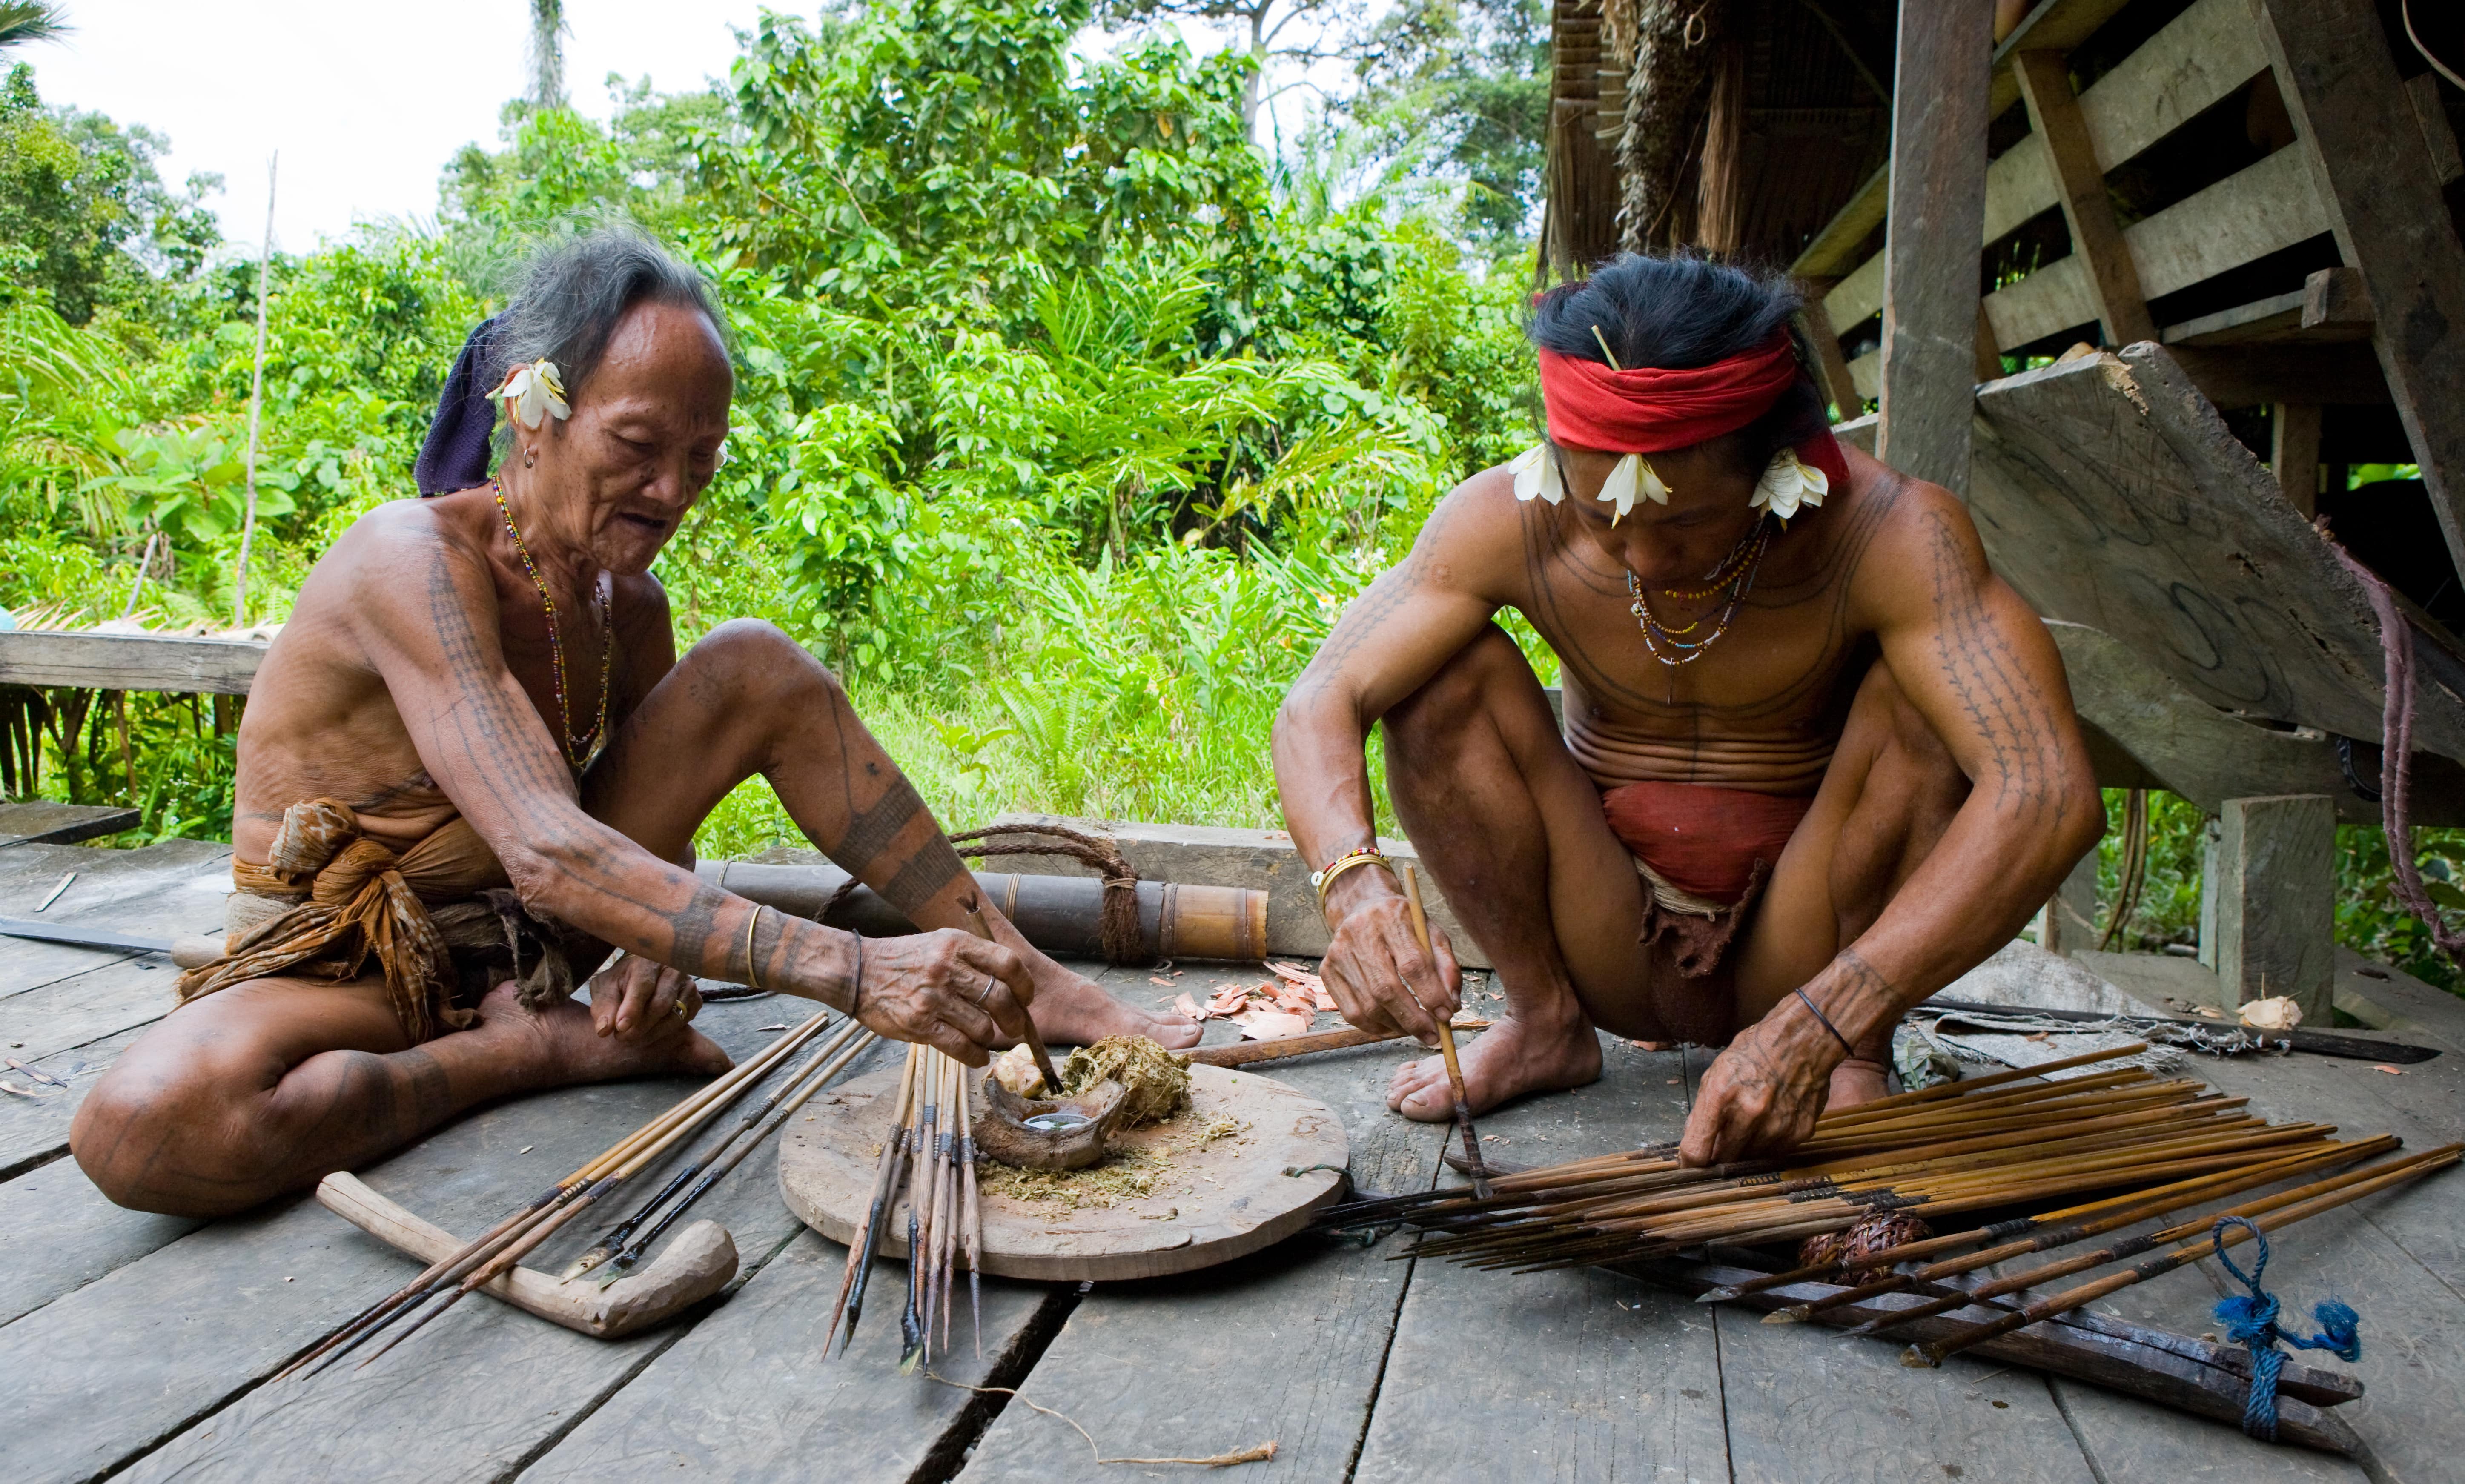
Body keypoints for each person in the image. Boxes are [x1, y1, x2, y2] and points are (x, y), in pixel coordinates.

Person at [71, 229, 1193, 1218]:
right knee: (142, 1126)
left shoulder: (624, 604)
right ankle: (521, 1055)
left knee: (753, 662)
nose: (670, 490)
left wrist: (651, 959)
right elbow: (552, 851)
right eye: (637, 445)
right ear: (530, 407)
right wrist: (856, 969)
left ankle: (1026, 970)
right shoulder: (408, 560)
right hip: (346, 971)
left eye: (699, 459)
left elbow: (645, 845)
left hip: (526, 943)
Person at [1271, 253, 2101, 1166]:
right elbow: (1320, 700)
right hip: (1604, 931)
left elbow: (2048, 793)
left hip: (1810, 942)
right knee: (1436, 679)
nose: (1640, 558)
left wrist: (1827, 1020)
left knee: (1929, 710)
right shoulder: (1510, 518)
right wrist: (1353, 889)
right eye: (1604, 519)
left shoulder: (1893, 536)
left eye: (1684, 525)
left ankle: (1854, 1058)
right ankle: (1546, 1023)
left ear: (1774, 463)